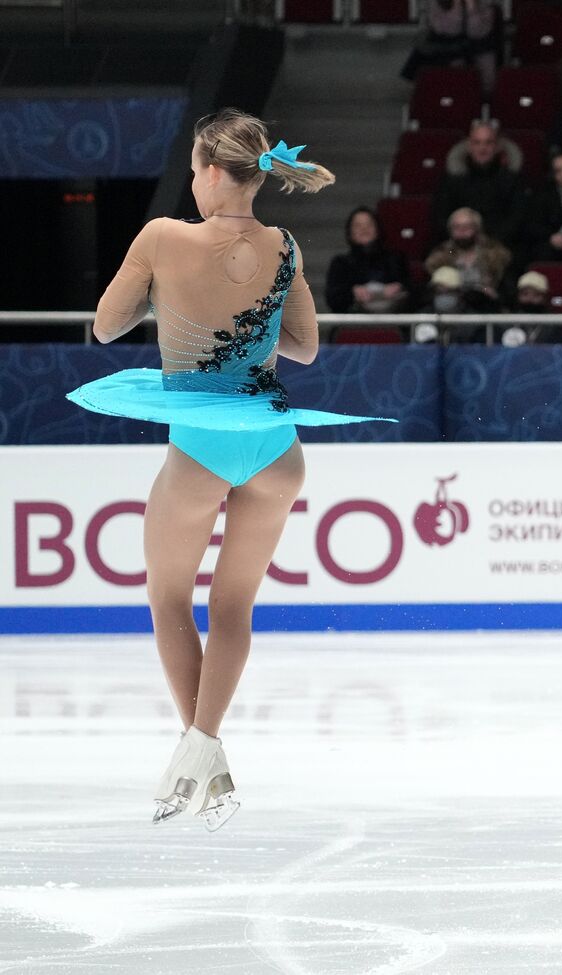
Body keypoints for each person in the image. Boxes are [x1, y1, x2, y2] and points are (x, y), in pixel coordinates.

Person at [65, 110, 392, 830]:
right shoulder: (285, 244)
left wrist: (166, 292)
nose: (192, 181)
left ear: (212, 172)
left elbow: (106, 326)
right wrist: (250, 323)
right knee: (234, 606)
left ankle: (203, 757)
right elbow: (304, 347)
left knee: (168, 599)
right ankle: (203, 752)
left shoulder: (162, 236)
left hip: (203, 446)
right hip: (276, 447)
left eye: (192, 169)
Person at [431, 120, 526, 249]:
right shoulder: (451, 180)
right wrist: (461, 236)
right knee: (443, 257)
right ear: (469, 146)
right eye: (477, 142)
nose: (482, 148)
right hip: (456, 246)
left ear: (497, 146)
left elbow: (516, 219)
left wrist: (489, 241)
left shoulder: (512, 180)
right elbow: (440, 217)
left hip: (498, 247)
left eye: (488, 142)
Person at [324, 207, 412, 314]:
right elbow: (332, 299)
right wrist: (352, 293)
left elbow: (414, 292)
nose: (364, 229)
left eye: (369, 224)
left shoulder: (395, 259)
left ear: (377, 230)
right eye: (358, 225)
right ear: (350, 233)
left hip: (393, 319)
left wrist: (399, 288)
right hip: (354, 319)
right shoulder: (340, 264)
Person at [424, 206, 513, 311]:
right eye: (456, 227)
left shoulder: (495, 256)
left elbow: (506, 290)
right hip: (451, 305)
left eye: (467, 227)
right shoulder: (440, 257)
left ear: (477, 229)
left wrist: (487, 291)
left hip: (485, 306)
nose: (461, 231)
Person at [400, 0, 501, 89]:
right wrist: (457, 6)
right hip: (446, 46)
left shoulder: (485, 3)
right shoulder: (435, 3)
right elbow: (443, 29)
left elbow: (477, 32)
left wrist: (471, 7)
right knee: (456, 63)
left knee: (485, 68)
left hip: (479, 46)